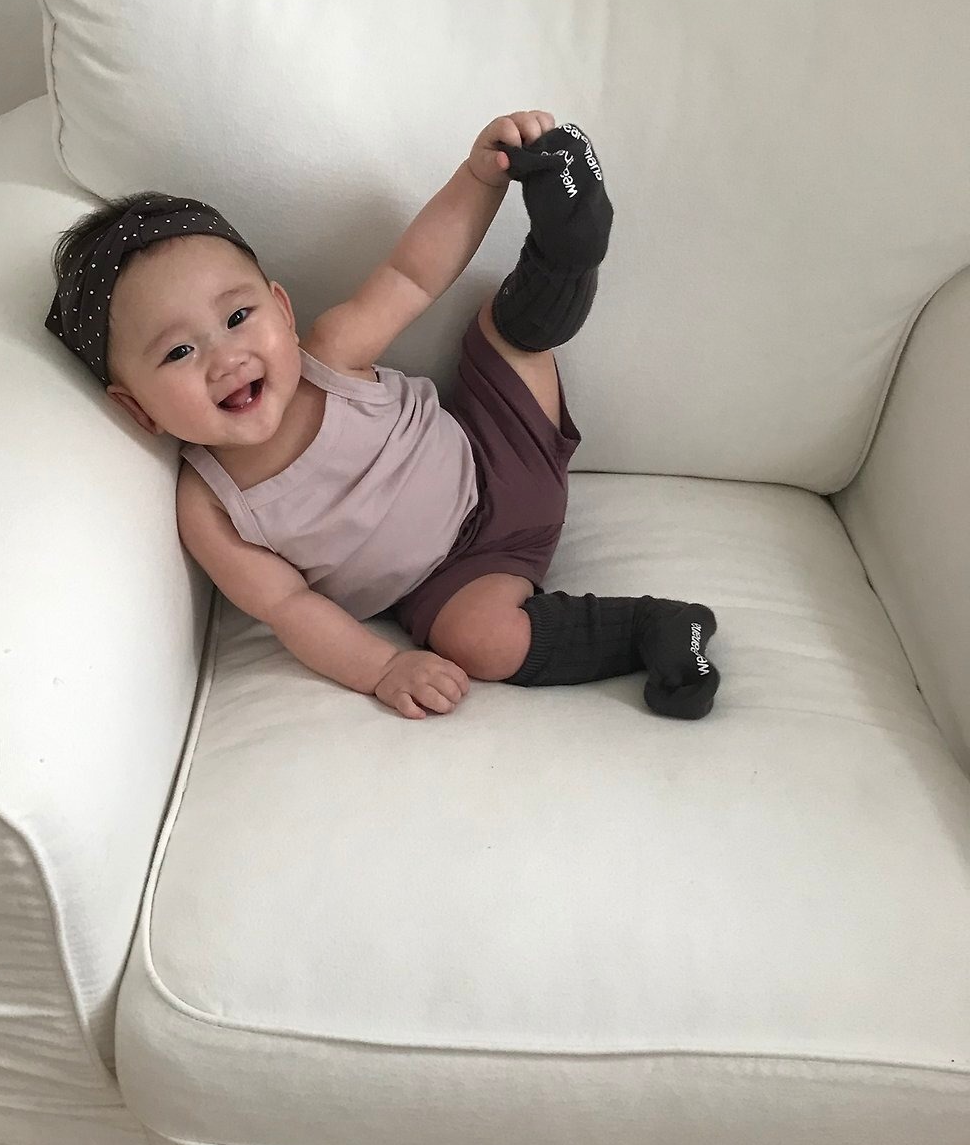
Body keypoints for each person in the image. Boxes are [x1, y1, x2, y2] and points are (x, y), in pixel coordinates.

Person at [44, 112, 720, 722]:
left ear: (282, 309)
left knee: (507, 332)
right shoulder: (210, 507)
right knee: (480, 642)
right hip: (456, 581)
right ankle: (656, 629)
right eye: (179, 352)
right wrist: (383, 668)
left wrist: (479, 178)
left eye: (239, 316)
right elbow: (290, 608)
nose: (226, 359)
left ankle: (564, 253)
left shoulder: (329, 354)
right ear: (137, 408)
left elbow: (414, 275)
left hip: (496, 450)